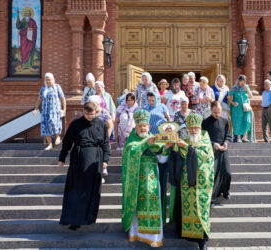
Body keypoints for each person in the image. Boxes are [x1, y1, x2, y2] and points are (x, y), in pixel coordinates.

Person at [58, 102, 110, 231]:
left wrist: (105, 160)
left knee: (92, 190)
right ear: (83, 111)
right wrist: (62, 157)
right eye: (87, 114)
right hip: (78, 159)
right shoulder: (76, 124)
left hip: (95, 159)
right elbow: (67, 141)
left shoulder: (101, 124)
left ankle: (89, 217)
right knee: (76, 189)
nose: (90, 117)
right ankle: (74, 220)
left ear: (96, 112)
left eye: (92, 114)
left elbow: (105, 143)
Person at [121, 109, 170, 247]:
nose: (142, 128)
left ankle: (154, 237)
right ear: (135, 127)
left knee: (154, 204)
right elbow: (130, 154)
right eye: (139, 126)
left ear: (149, 127)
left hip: (153, 177)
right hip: (137, 179)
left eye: (145, 125)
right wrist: (145, 144)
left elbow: (162, 160)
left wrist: (166, 148)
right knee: (137, 205)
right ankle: (136, 233)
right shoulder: (132, 141)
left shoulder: (156, 139)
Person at [168, 112, 214, 250]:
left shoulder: (205, 141)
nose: (193, 131)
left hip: (200, 185)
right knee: (184, 207)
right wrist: (175, 148)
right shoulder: (185, 140)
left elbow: (207, 159)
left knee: (200, 210)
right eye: (191, 128)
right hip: (185, 183)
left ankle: (202, 240)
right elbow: (179, 158)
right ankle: (186, 234)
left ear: (200, 128)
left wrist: (187, 148)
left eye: (196, 128)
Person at [202, 101, 232, 207]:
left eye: (219, 112)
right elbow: (203, 139)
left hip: (223, 150)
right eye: (215, 112)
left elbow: (228, 136)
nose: (217, 114)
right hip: (211, 151)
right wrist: (213, 144)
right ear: (211, 110)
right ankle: (212, 198)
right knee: (213, 175)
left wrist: (226, 143)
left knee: (227, 172)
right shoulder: (205, 122)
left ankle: (226, 191)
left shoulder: (224, 121)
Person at [33, 73, 66, 150]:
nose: (48, 81)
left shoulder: (57, 87)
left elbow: (62, 98)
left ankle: (58, 137)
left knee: (54, 122)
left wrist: (64, 109)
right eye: (46, 79)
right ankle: (50, 144)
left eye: (49, 79)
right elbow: (39, 99)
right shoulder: (43, 89)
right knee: (45, 126)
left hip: (55, 111)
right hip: (45, 111)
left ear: (53, 80)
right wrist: (35, 109)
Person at [228, 75, 255, 143]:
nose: (243, 83)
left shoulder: (246, 87)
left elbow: (251, 96)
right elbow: (228, 97)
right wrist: (232, 102)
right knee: (238, 122)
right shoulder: (234, 88)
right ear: (239, 81)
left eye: (244, 82)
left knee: (247, 121)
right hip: (237, 108)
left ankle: (244, 137)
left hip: (245, 108)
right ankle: (238, 138)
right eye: (242, 82)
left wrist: (247, 89)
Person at [15, 7, 37, 72]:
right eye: (26, 14)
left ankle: (30, 66)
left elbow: (35, 28)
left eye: (28, 13)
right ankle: (23, 66)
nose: (27, 15)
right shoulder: (23, 21)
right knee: (24, 51)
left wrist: (32, 29)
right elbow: (18, 26)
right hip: (24, 39)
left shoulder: (32, 21)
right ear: (24, 14)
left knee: (30, 51)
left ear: (30, 14)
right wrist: (18, 18)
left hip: (30, 39)